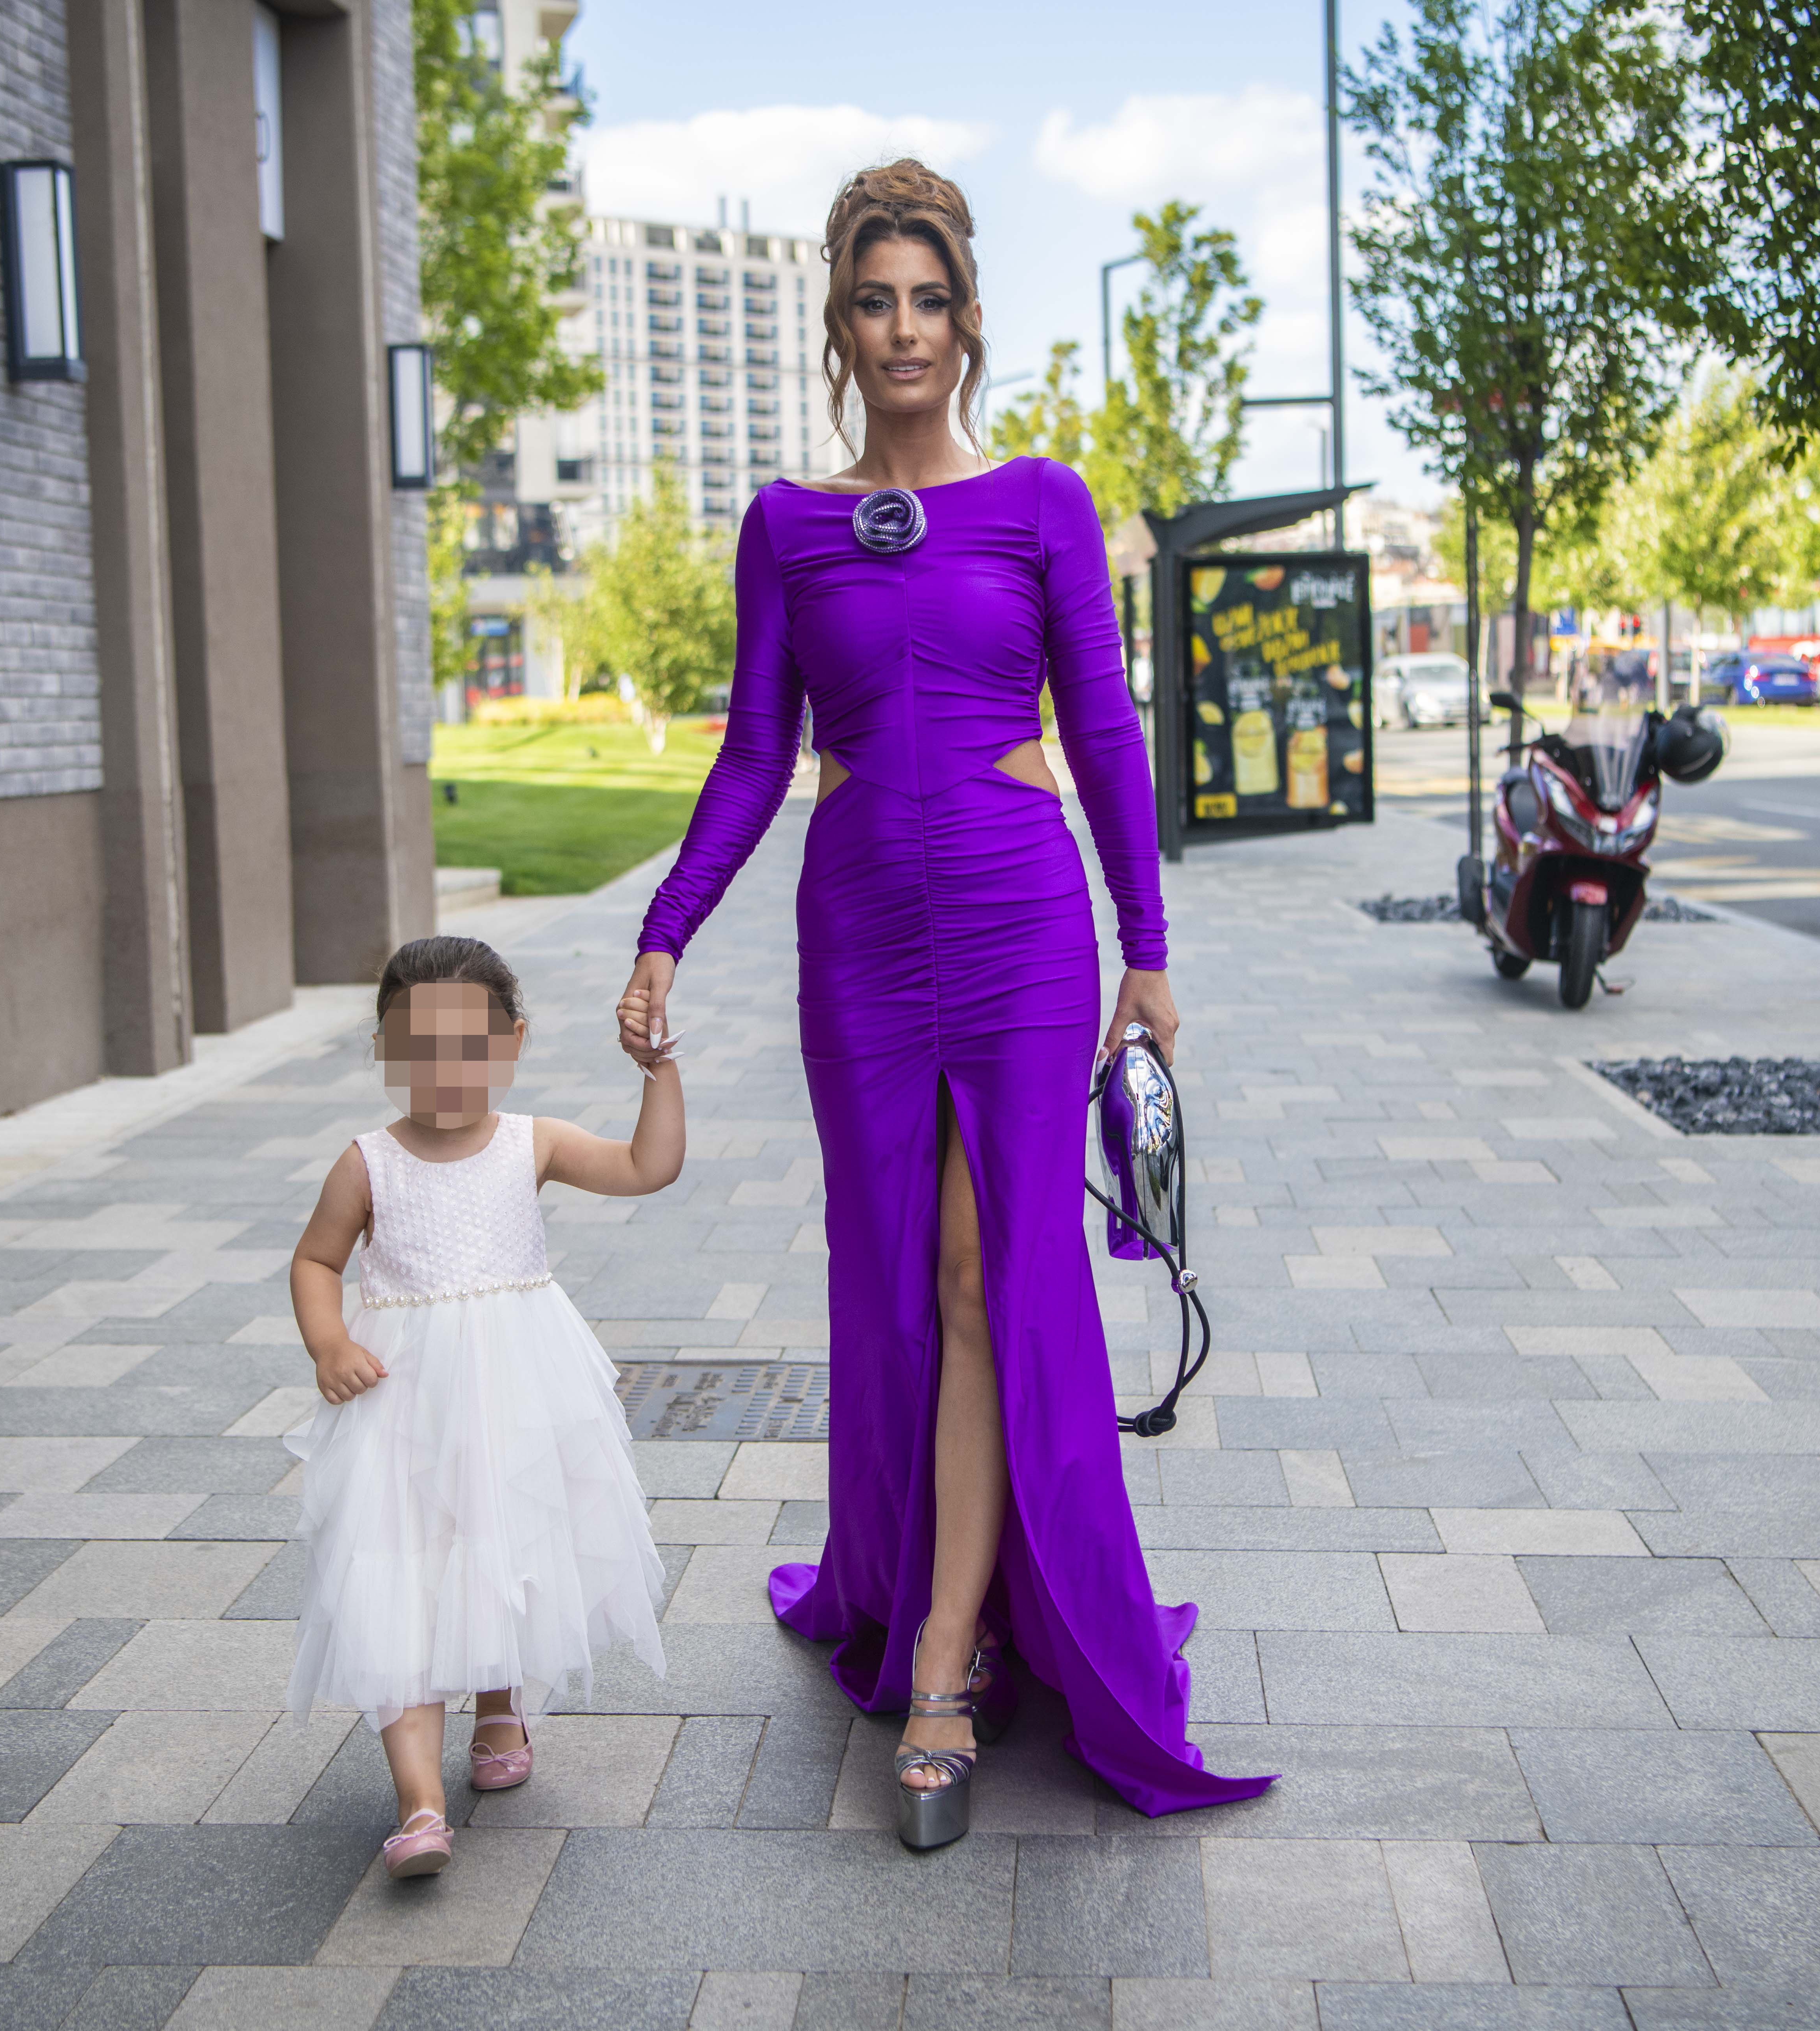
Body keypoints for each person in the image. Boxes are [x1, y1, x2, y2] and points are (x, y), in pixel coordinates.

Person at [620, 160, 1272, 1846]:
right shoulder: (785, 523)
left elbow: (1104, 731)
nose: (901, 327)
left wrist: (1145, 946)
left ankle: (942, 1662)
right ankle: (927, 1583)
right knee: (894, 1282)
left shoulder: (1043, 502)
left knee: (993, 1270)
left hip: (1016, 923)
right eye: (872, 301)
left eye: (926, 298)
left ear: (967, 321)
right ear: (840, 329)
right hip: (854, 934)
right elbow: (755, 752)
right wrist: (666, 929)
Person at [283, 936, 677, 1878]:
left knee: (499, 1542)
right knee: (399, 1573)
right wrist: (330, 1342)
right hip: (402, 1404)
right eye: (416, 1049)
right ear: (383, 1048)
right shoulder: (368, 1162)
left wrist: (659, 1070)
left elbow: (644, 1166)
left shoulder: (529, 1142)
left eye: (468, 1047)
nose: (443, 1070)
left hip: (513, 1391)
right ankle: (419, 1803)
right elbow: (316, 1259)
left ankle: (500, 1704)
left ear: (512, 1042)